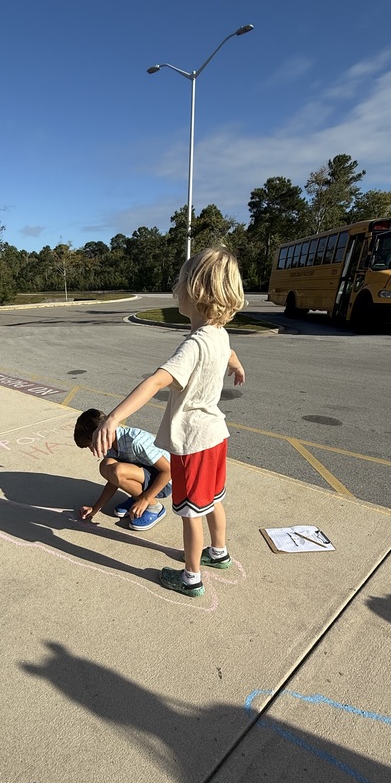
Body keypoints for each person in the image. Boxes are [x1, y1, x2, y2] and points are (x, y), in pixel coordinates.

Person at [91, 247, 246, 597]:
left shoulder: (194, 344)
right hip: (216, 436)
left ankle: (191, 577)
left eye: (179, 282)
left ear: (195, 293)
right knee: (213, 500)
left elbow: (157, 381)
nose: (175, 288)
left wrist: (114, 417)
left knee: (191, 512)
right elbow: (231, 354)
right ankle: (218, 554)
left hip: (193, 442)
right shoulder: (220, 335)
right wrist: (236, 366)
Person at [74, 408, 172, 531]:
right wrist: (95, 508)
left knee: (117, 469)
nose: (91, 450)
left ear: (101, 435)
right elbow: (114, 479)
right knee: (106, 465)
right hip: (145, 474)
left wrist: (145, 499)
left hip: (165, 481)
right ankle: (136, 497)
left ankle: (155, 507)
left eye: (91, 445)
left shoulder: (136, 441)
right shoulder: (109, 444)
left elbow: (168, 471)